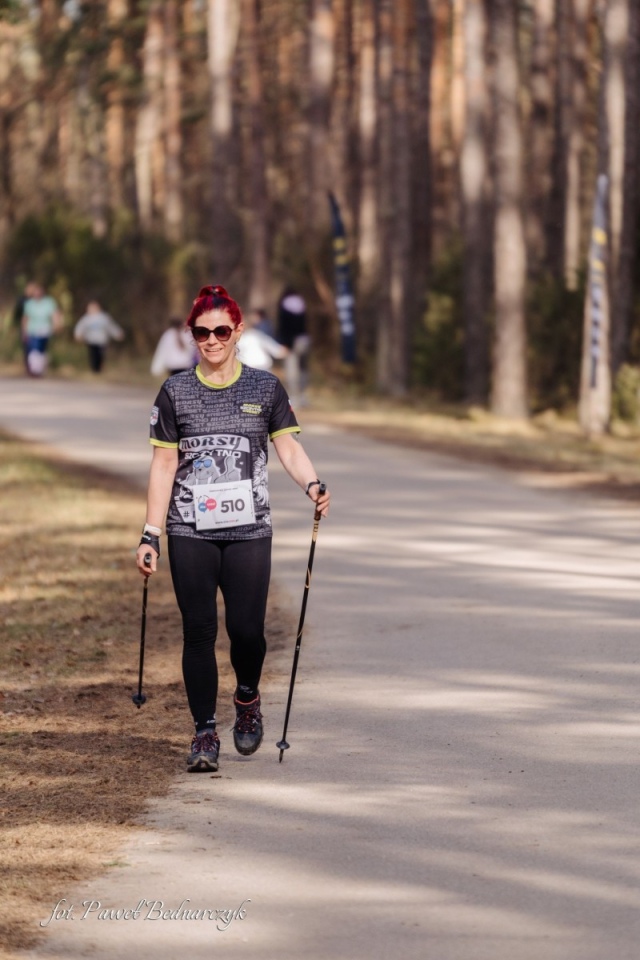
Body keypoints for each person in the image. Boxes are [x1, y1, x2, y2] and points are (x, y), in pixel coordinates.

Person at [135, 284, 331, 774]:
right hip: (189, 530)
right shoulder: (175, 391)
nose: (212, 340)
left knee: (246, 632)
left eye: (221, 330)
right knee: (198, 631)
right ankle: (204, 731)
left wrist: (312, 484)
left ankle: (247, 697)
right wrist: (150, 534)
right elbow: (163, 466)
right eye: (202, 332)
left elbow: (287, 447)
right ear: (192, 335)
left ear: (238, 331)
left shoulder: (264, 388)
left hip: (250, 531)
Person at [20, 283, 63, 377]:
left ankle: (40, 368)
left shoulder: (49, 302)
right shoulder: (29, 304)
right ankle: (35, 369)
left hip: (45, 329)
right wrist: (24, 331)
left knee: (41, 349)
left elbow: (54, 314)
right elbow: (25, 318)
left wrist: (57, 324)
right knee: (34, 348)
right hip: (32, 330)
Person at [277, 287, 311, 406]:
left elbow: (284, 326)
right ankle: (303, 396)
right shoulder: (301, 303)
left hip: (291, 341)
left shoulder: (284, 304)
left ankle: (294, 397)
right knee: (303, 369)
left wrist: (284, 343)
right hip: (304, 339)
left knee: (291, 369)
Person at [73, 299, 125, 373]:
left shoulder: (104, 318)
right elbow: (80, 327)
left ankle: (99, 370)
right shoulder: (86, 318)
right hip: (91, 341)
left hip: (101, 341)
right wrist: (78, 335)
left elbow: (111, 327)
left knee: (100, 356)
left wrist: (118, 333)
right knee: (93, 356)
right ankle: (94, 370)